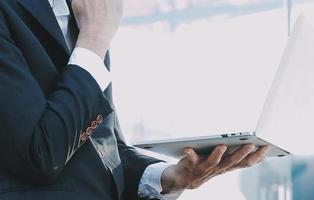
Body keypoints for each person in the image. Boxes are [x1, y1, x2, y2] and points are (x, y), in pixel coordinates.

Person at [0, 0, 270, 199]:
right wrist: (93, 41)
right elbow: (39, 153)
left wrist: (171, 176)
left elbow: (103, 149)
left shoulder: (83, 16)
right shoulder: (92, 30)